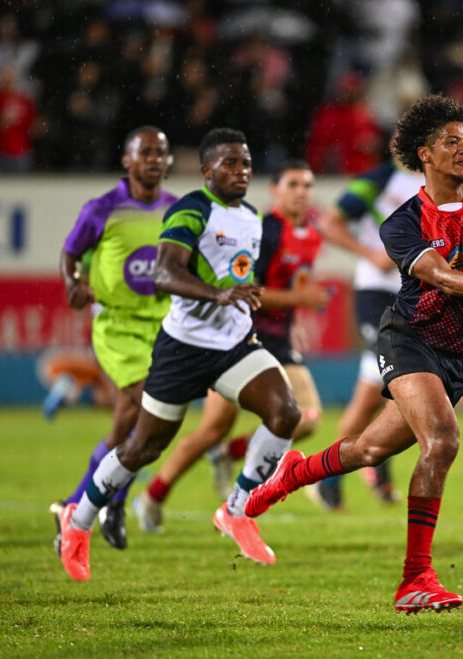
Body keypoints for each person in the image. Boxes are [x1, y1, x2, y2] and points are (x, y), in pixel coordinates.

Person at [243, 94, 463, 612]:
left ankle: (293, 473)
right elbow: (433, 273)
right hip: (409, 337)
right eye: (450, 142)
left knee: (368, 450)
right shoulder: (402, 221)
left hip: (461, 358)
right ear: (425, 154)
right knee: (441, 439)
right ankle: (416, 577)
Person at [55, 128, 301, 580]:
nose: (240, 170)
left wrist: (245, 299)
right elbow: (165, 274)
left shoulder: (251, 217)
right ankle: (78, 520)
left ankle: (237, 508)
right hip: (183, 349)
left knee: (286, 413)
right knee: (142, 446)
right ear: (207, 171)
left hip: (232, 345)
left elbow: (240, 276)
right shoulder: (190, 209)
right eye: (229, 163)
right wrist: (220, 295)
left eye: (245, 162)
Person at [132, 160, 330, 533]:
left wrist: (297, 318)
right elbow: (250, 291)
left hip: (280, 343)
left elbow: (294, 286)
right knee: (212, 428)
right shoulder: (266, 231)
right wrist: (298, 300)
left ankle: (230, 457)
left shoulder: (312, 235)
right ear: (275, 191)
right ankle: (154, 495)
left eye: (308, 184)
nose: (302, 191)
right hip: (237, 340)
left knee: (305, 418)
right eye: (293, 184)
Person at [49, 126, 177, 552]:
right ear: (127, 160)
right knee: (148, 407)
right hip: (118, 326)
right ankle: (115, 501)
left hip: (162, 326)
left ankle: (75, 504)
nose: (154, 159)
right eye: (145, 153)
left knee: (128, 422)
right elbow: (70, 252)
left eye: (160, 152)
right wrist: (73, 284)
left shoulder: (176, 210)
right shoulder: (102, 208)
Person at [312, 153, 423, 509]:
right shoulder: (379, 179)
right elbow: (329, 223)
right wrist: (368, 253)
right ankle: (332, 477)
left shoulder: (443, 187)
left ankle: (368, 468)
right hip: (376, 293)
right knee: (383, 387)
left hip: (412, 296)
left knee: (384, 390)